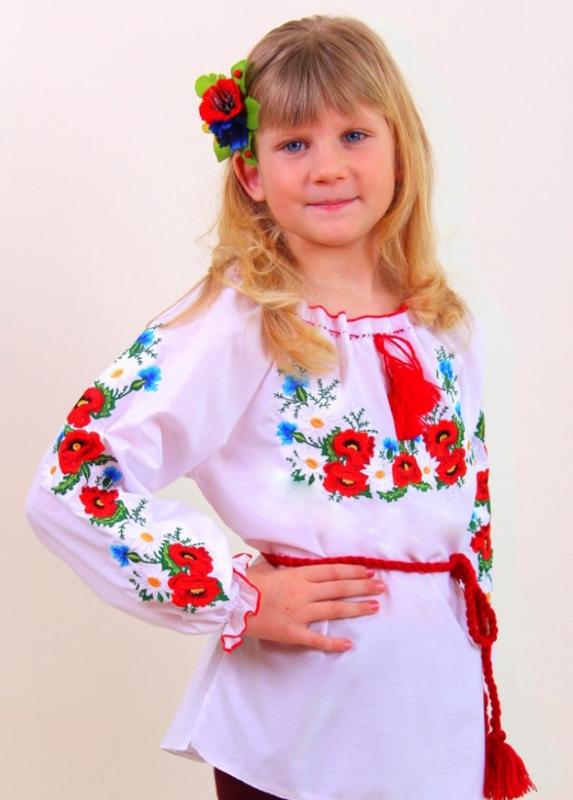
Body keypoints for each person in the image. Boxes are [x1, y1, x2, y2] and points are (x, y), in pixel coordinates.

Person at [24, 14, 537, 800]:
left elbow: (468, 517)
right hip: (299, 730)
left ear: (399, 151)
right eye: (294, 144)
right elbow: (73, 478)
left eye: (354, 136)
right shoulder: (239, 320)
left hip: (428, 717)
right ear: (251, 173)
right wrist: (240, 593)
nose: (327, 167)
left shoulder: (443, 324)